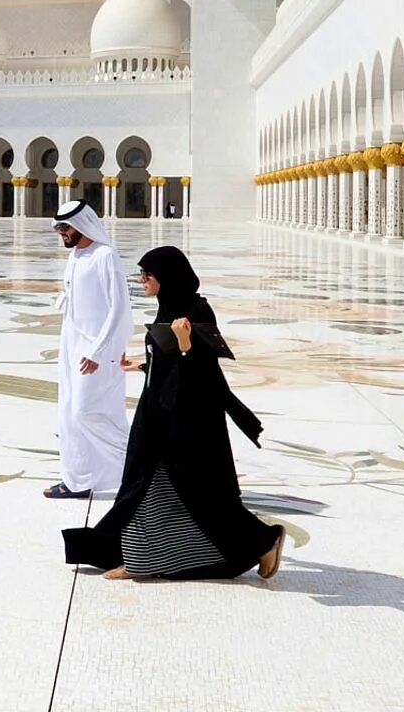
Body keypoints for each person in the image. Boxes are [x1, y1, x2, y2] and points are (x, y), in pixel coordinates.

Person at [62, 245, 286, 581]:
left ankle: (264, 541)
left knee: (201, 493)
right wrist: (141, 364)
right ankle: (133, 556)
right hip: (159, 413)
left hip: (188, 421)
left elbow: (205, 373)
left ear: (166, 277)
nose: (142, 281)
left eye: (147, 275)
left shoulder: (196, 310)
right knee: (146, 487)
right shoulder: (168, 306)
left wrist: (185, 344)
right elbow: (166, 362)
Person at [44, 199, 134, 500]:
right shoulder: (78, 255)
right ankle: (77, 480)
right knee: (70, 413)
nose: (61, 233)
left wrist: (99, 352)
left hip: (97, 351)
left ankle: (142, 467)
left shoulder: (104, 255)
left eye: (65, 228)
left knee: (89, 413)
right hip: (73, 346)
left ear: (81, 225)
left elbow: (119, 308)